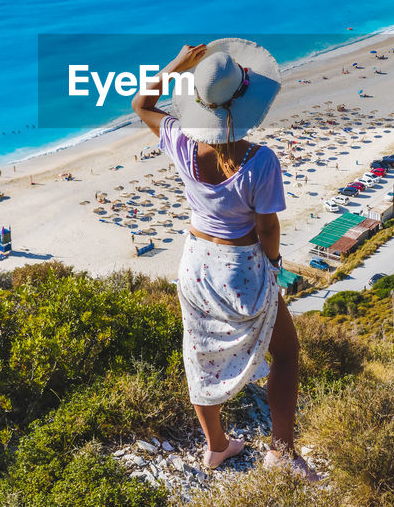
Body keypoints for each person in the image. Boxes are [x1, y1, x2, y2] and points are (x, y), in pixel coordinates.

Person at [132, 40, 318, 480]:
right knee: (287, 355)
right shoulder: (260, 161)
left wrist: (180, 63)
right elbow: (268, 227)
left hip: (195, 263)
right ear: (246, 99)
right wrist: (272, 267)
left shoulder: (179, 141)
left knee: (199, 356)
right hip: (241, 266)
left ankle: (217, 446)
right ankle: (282, 453)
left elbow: (141, 103)